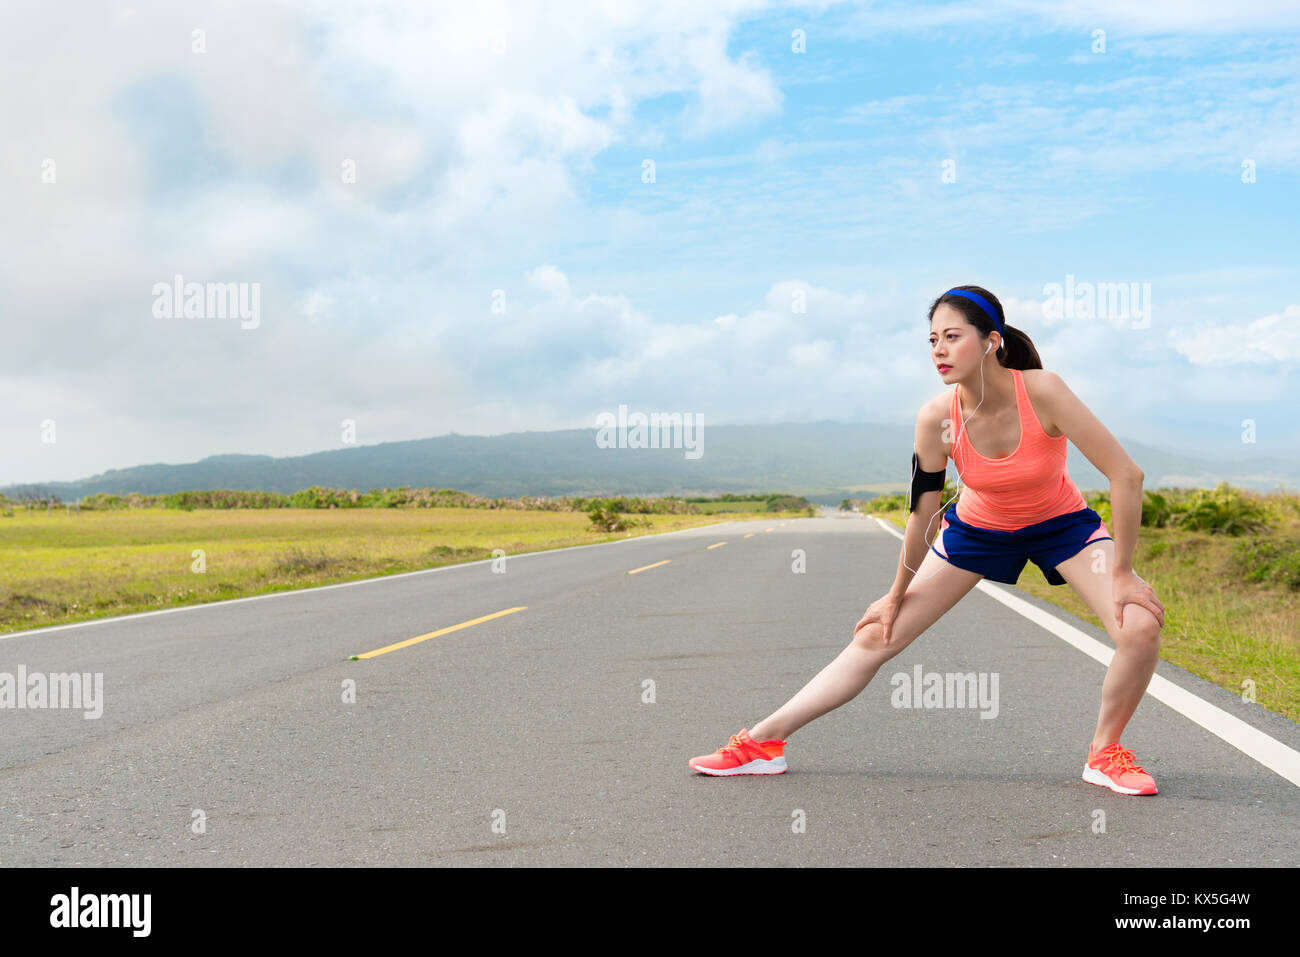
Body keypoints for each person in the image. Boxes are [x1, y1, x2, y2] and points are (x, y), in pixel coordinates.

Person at [688, 285, 1167, 795]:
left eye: (952, 336)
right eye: (932, 339)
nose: (938, 349)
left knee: (1139, 626)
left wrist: (1123, 574)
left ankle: (1105, 752)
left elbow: (1127, 475)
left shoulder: (1044, 391)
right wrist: (894, 595)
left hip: (1061, 525)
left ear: (990, 341)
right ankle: (762, 743)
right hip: (977, 531)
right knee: (876, 635)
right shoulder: (937, 418)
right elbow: (922, 514)